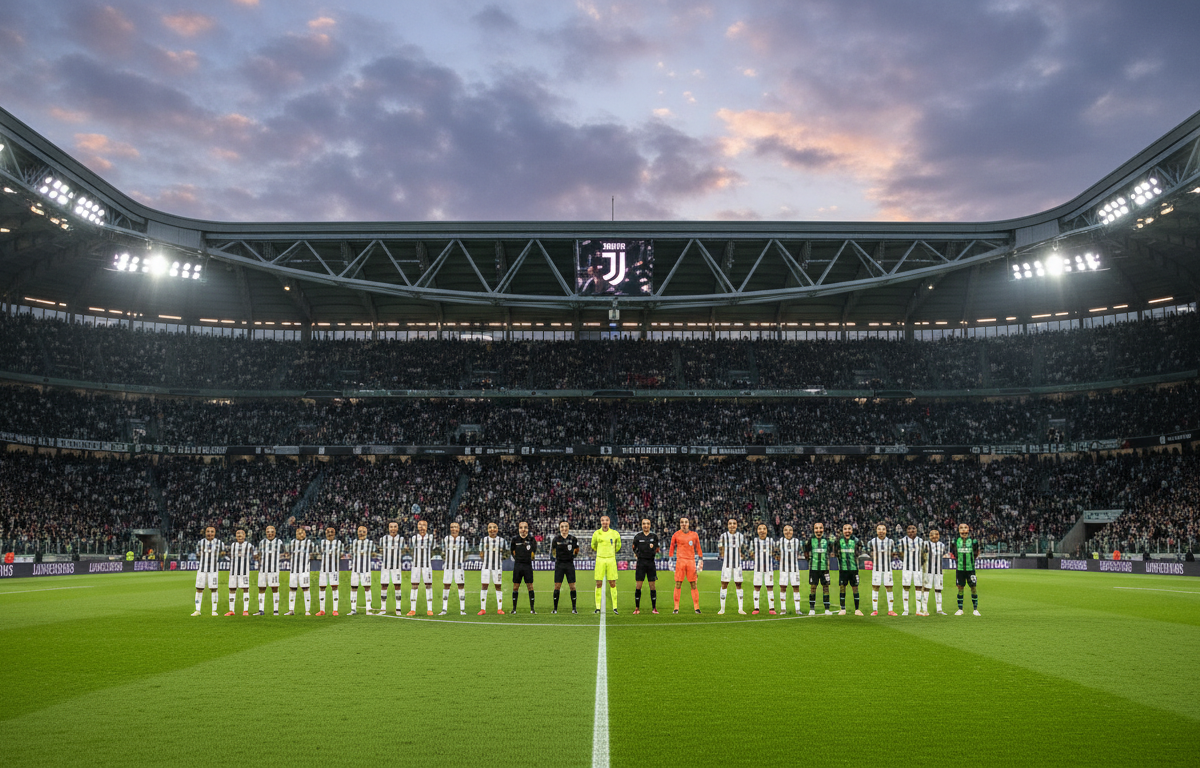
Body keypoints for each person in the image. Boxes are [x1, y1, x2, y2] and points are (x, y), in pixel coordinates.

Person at [668, 516, 702, 614]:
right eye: (682, 522)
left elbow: (698, 547)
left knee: (693, 584)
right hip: (680, 562)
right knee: (678, 583)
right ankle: (676, 607)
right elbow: (671, 547)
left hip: (691, 562)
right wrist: (670, 559)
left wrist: (700, 559)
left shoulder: (694, 535)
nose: (684, 524)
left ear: (688, 523)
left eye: (686, 522)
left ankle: (696, 607)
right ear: (680, 524)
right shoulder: (676, 535)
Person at [591, 515, 621, 615]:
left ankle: (615, 607)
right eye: (603, 520)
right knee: (598, 583)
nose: (605, 522)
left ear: (609, 522)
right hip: (600, 559)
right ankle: (598, 607)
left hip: (611, 559)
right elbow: (593, 545)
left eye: (606, 520)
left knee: (612, 583)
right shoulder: (596, 533)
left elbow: (618, 546)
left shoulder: (615, 533)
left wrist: (610, 553)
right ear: (600, 522)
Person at [549, 520, 580, 614]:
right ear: (559, 528)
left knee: (573, 586)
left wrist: (573, 556)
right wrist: (556, 558)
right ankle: (555, 608)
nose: (564, 528)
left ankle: (574, 608)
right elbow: (553, 551)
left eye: (566, 526)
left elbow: (577, 549)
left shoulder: (573, 539)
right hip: (559, 565)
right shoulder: (556, 539)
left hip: (569, 564)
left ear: (568, 528)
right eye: (562, 527)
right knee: (557, 586)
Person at [631, 518, 660, 615]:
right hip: (641, 563)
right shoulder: (638, 537)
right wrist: (638, 555)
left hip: (651, 563)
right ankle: (637, 608)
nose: (646, 525)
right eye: (644, 524)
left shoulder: (654, 537)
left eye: (647, 524)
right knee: (638, 586)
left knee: (652, 586)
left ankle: (654, 608)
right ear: (641, 525)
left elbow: (657, 549)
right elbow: (634, 548)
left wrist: (652, 551)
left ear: (650, 525)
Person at [717, 518, 746, 615]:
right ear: (727, 525)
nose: (732, 525)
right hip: (727, 565)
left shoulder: (740, 536)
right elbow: (720, 548)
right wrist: (722, 555)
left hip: (737, 565)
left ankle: (740, 609)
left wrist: (741, 554)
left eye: (734, 523)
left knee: (738, 584)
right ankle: (722, 609)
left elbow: (740, 549)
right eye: (730, 524)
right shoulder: (723, 536)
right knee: (724, 584)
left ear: (737, 525)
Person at [868, 523, 897, 616]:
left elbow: (894, 553)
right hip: (876, 569)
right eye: (879, 529)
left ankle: (891, 610)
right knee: (875, 587)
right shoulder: (872, 542)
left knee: (889, 587)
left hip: (887, 569)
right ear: (876, 531)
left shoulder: (891, 541)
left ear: (886, 531)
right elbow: (867, 551)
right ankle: (875, 610)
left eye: (883, 529)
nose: (881, 531)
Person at [192, 525, 222, 616]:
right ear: (205, 533)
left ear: (215, 533)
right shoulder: (200, 543)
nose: (210, 533)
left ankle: (214, 610)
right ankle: (197, 610)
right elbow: (197, 555)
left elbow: (223, 554)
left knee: (214, 589)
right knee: (199, 588)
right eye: (208, 531)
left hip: (213, 570)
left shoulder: (219, 543)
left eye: (212, 532)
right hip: (202, 569)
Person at [407, 520, 435, 617]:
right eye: (420, 525)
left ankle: (430, 609)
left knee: (428, 585)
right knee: (414, 585)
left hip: (427, 565)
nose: (422, 527)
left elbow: (434, 549)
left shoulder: (431, 538)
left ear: (427, 527)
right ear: (417, 527)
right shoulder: (414, 538)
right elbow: (411, 550)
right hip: (416, 566)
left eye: (424, 525)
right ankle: (412, 609)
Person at [834, 524, 863, 616]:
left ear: (852, 530)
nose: (847, 531)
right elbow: (835, 551)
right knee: (842, 588)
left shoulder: (856, 540)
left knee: (855, 588)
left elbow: (860, 549)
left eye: (849, 529)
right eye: (845, 529)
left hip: (853, 569)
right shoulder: (839, 540)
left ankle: (857, 609)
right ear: (843, 530)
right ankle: (843, 609)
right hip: (843, 569)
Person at [804, 522, 832, 616]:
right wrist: (810, 561)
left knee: (826, 587)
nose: (818, 530)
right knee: (813, 588)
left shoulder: (827, 540)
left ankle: (827, 609)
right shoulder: (810, 540)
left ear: (823, 529)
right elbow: (806, 551)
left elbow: (832, 551)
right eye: (816, 528)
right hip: (814, 568)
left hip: (824, 568)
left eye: (820, 528)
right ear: (813, 529)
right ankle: (812, 609)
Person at [478, 522, 506, 615]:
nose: (492, 529)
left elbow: (506, 553)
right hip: (486, 567)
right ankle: (482, 609)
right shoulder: (483, 540)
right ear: (487, 529)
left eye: (494, 527)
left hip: (497, 567)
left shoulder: (502, 541)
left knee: (498, 586)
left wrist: (500, 559)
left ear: (497, 529)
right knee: (484, 585)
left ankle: (499, 609)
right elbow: (481, 554)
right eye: (490, 527)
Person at [255, 525, 284, 616]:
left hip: (274, 570)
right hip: (263, 570)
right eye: (268, 532)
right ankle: (261, 610)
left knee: (274, 588)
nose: (270, 533)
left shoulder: (279, 542)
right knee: (261, 588)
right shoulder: (262, 542)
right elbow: (258, 554)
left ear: (275, 532)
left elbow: (284, 553)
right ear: (266, 533)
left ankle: (276, 611)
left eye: (272, 531)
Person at [898, 524, 926, 616]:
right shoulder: (902, 541)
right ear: (906, 531)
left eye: (913, 528)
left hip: (918, 568)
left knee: (918, 587)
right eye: (909, 528)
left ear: (916, 530)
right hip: (906, 568)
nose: (911, 530)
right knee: (906, 587)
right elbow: (901, 554)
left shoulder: (921, 541)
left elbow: (923, 554)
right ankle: (906, 610)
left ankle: (918, 610)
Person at [954, 523, 981, 616]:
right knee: (960, 588)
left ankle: (975, 609)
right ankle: (960, 609)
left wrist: (971, 561)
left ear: (968, 530)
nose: (963, 530)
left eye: (965, 528)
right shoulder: (955, 541)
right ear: (958, 530)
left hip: (971, 569)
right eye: (961, 528)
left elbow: (977, 552)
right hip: (960, 569)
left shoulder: (973, 541)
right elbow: (953, 553)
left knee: (973, 587)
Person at [440, 522, 467, 616]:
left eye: (456, 527)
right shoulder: (446, 539)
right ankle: (444, 609)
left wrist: (461, 561)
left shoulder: (463, 539)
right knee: (446, 586)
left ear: (459, 529)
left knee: (461, 586)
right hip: (448, 567)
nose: (454, 529)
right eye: (452, 527)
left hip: (459, 567)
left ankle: (462, 609)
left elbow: (466, 552)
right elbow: (443, 552)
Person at [285, 526, 314, 616]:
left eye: (301, 533)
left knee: (305, 588)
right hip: (293, 570)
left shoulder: (309, 543)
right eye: (298, 533)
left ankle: (307, 611)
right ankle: (291, 610)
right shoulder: (292, 543)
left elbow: (313, 554)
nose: (299, 535)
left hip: (304, 570)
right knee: (292, 589)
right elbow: (288, 554)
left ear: (305, 534)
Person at [378, 521, 405, 616]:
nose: (393, 529)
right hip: (385, 566)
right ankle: (383, 608)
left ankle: (398, 608)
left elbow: (404, 550)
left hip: (396, 567)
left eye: (395, 527)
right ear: (388, 528)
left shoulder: (401, 539)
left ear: (397, 528)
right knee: (384, 585)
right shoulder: (383, 539)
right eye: (391, 527)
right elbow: (380, 550)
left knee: (397, 586)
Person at [348, 525, 376, 616]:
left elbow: (374, 554)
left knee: (367, 587)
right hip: (355, 569)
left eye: (363, 531)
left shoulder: (370, 543)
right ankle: (353, 609)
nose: (361, 533)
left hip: (366, 569)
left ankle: (368, 609)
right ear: (357, 532)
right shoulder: (354, 542)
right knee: (354, 587)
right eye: (360, 531)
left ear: (366, 532)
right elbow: (351, 554)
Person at [511, 520, 537, 614]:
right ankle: (514, 609)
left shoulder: (531, 539)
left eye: (525, 527)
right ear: (518, 529)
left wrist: (528, 557)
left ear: (528, 529)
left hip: (528, 566)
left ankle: (532, 609)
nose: (523, 530)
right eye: (521, 528)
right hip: (518, 565)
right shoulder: (515, 539)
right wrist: (519, 558)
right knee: (515, 587)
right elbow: (513, 552)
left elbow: (533, 554)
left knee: (530, 586)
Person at [317, 526, 343, 616]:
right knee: (322, 587)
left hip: (334, 569)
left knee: (334, 587)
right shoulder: (322, 542)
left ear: (334, 533)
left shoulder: (339, 543)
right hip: (323, 569)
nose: (330, 533)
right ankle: (322, 610)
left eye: (332, 532)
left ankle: (335, 610)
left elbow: (342, 554)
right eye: (328, 531)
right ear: (325, 533)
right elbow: (318, 553)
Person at [750, 523, 775, 615]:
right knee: (757, 587)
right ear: (757, 531)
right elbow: (751, 553)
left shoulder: (771, 541)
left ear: (766, 531)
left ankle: (772, 608)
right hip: (758, 569)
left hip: (769, 569)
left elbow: (775, 552)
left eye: (764, 529)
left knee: (770, 587)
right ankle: (756, 608)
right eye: (760, 529)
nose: (762, 531)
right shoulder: (754, 542)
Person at [777, 524, 803, 615]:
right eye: (786, 530)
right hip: (783, 569)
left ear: (793, 531)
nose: (788, 532)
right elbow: (776, 553)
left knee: (796, 587)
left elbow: (801, 552)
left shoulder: (797, 541)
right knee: (783, 587)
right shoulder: (780, 541)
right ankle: (783, 609)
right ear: (783, 532)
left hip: (794, 569)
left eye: (790, 530)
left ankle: (798, 609)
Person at [226, 529, 253, 616]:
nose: (239, 536)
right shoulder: (233, 545)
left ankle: (245, 610)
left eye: (241, 534)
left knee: (245, 589)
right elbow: (228, 555)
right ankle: (231, 610)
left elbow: (255, 555)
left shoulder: (249, 545)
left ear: (245, 536)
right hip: (233, 572)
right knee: (232, 589)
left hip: (244, 572)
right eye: (237, 534)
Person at [923, 528, 948, 615]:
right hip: (928, 571)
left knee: (938, 589)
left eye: (936, 534)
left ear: (939, 536)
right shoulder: (926, 544)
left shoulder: (942, 545)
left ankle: (939, 609)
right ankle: (925, 609)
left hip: (939, 571)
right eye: (932, 534)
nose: (934, 536)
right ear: (929, 536)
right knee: (926, 588)